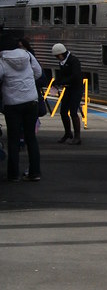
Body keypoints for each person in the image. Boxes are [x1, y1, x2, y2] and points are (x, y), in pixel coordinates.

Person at [0, 31, 42, 181]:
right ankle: (35, 173)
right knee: (31, 138)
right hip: (31, 101)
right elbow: (38, 73)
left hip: (13, 103)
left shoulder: (2, 60)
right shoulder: (28, 56)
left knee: (13, 138)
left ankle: (13, 174)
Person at [51, 42, 84, 144]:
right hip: (68, 88)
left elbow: (75, 76)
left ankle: (77, 136)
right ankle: (68, 133)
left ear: (62, 53)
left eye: (57, 56)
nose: (57, 58)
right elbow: (62, 75)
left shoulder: (74, 61)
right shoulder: (62, 62)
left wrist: (62, 81)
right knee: (63, 111)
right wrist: (56, 82)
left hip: (76, 88)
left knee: (73, 112)